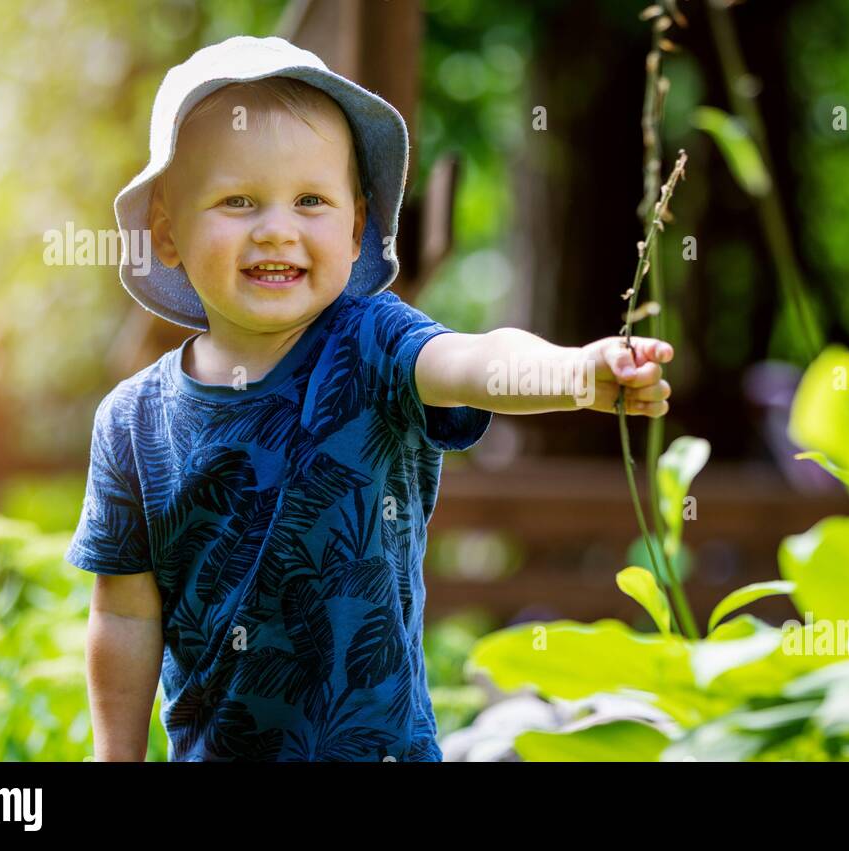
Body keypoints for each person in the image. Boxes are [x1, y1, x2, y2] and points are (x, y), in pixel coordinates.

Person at [66, 35, 673, 762]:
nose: (277, 229)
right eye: (238, 200)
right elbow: (126, 617)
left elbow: (475, 359)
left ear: (356, 228)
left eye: (311, 201)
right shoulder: (132, 423)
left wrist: (573, 373)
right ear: (167, 231)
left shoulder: (375, 345)